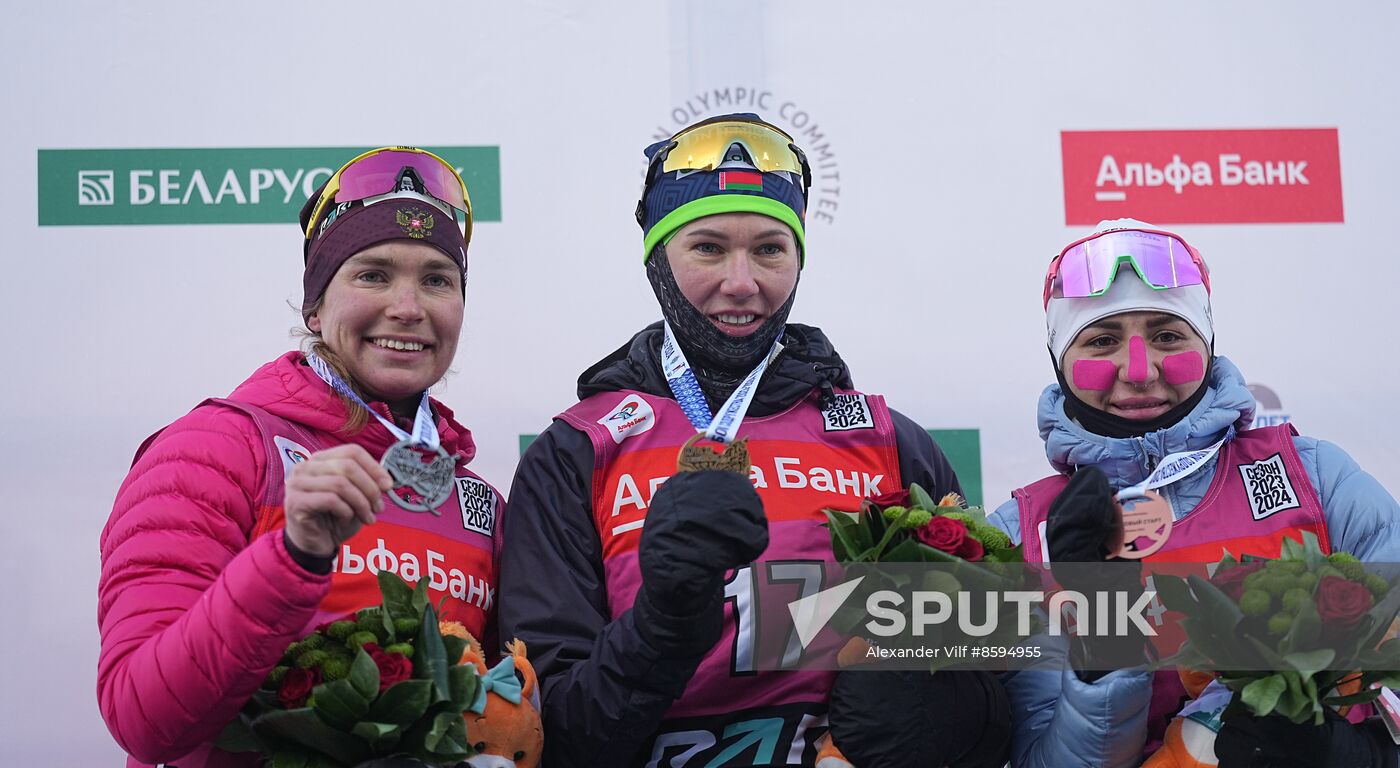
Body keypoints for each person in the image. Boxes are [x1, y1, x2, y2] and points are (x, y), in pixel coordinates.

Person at [498, 113, 1010, 768]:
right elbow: (547, 741)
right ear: (658, 259)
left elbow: (997, 689)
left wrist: (934, 707)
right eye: (708, 248)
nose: (742, 282)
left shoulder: (887, 441)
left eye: (770, 248)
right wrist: (662, 626)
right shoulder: (577, 452)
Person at [97, 147, 505, 768]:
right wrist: (293, 554)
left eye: (437, 279)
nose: (408, 307)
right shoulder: (215, 449)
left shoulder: (475, 499)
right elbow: (142, 717)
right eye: (372, 274)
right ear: (315, 306)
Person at [988, 219, 1400, 767]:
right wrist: (1104, 647)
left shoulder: (1315, 478)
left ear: (1205, 343)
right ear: (1059, 362)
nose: (1140, 371)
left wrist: (1354, 755)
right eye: (1102, 340)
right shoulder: (1022, 533)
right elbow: (1037, 757)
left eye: (1167, 335)